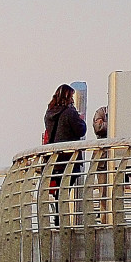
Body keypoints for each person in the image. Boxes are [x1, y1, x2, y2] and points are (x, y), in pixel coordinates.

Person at [44, 84, 87, 225]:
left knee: (60, 190)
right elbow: (80, 130)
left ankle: (58, 219)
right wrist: (81, 119)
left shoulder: (49, 113)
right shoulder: (70, 113)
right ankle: (61, 221)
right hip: (69, 158)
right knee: (64, 189)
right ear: (69, 97)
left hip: (54, 159)